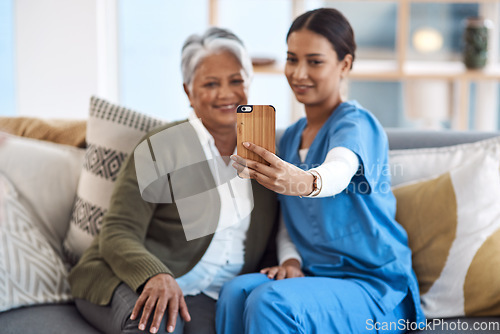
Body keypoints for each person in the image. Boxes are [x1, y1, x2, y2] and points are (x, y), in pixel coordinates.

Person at [217, 8, 425, 334]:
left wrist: (304, 181)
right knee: (234, 293)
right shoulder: (289, 138)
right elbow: (290, 220)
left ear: (344, 65)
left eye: (314, 61)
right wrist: (291, 262)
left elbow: (340, 169)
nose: (299, 73)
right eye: (292, 59)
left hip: (375, 289)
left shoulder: (356, 122)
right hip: (316, 280)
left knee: (270, 302)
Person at [68, 27, 279, 334]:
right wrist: (156, 275)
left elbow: (273, 236)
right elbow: (117, 231)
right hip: (129, 277)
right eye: (210, 83)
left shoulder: (264, 152)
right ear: (188, 91)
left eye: (236, 80)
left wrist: (287, 264)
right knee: (150, 325)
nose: (226, 93)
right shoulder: (160, 146)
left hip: (209, 295)